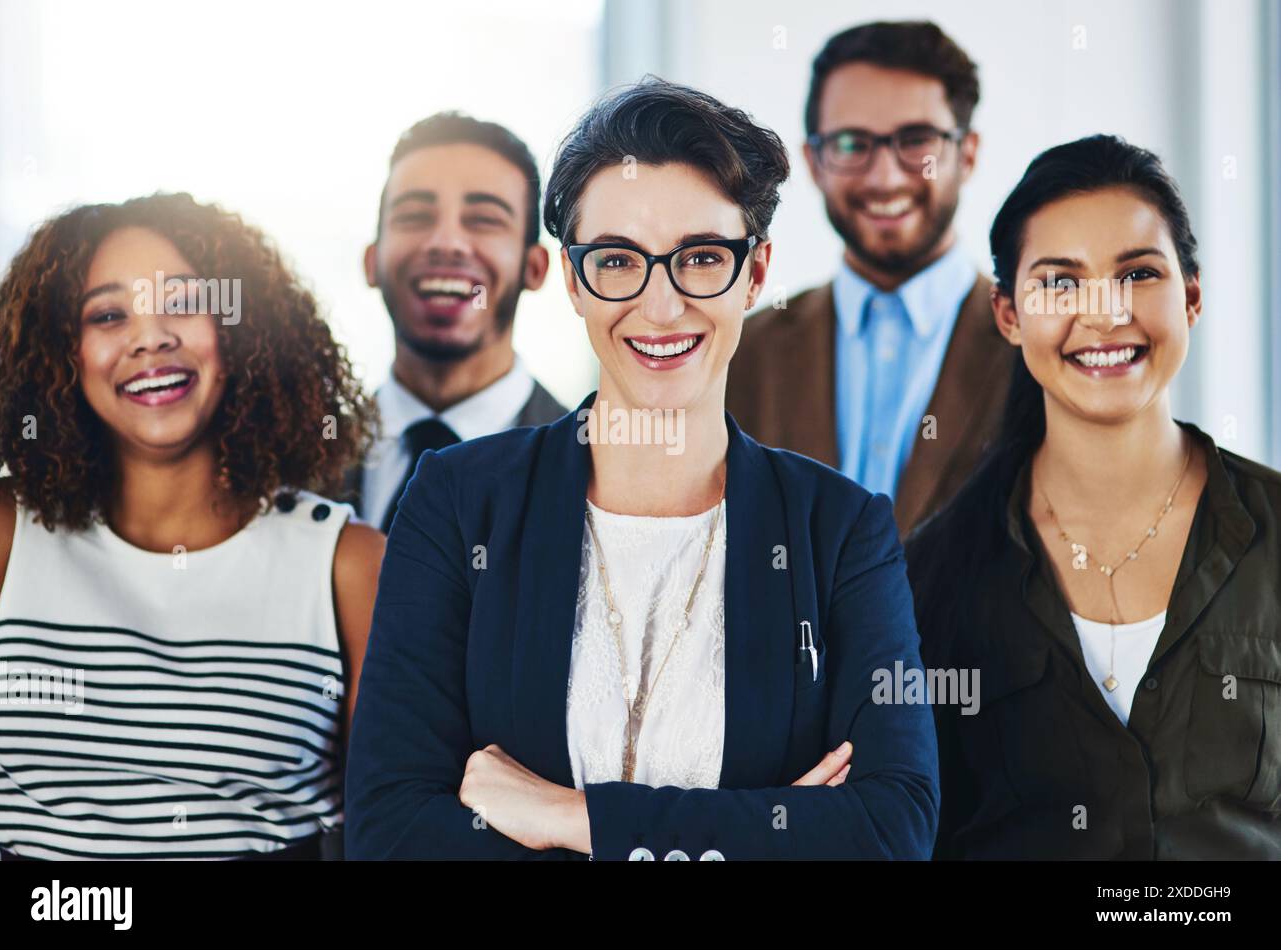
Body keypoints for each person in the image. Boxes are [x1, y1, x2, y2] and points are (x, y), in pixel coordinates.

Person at [346, 78, 939, 861]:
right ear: (572, 279)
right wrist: (763, 830)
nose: (661, 307)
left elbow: (890, 832)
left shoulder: (840, 529)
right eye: (619, 261)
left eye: (700, 258)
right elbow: (391, 831)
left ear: (756, 274)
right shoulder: (459, 500)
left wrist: (568, 818)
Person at [906, 135, 1281, 859]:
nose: (1105, 315)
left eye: (1137, 273)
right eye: (1060, 282)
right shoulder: (930, 576)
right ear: (1009, 315)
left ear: (1192, 297)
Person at [0, 194, 384, 859]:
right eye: (109, 315)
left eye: (183, 304)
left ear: (242, 331)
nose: (150, 337)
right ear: (63, 353)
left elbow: (395, 824)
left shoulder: (347, 565)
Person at [727, 20, 1016, 537]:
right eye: (851, 143)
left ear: (966, 154)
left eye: (916, 140)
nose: (884, 177)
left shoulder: (1035, 350)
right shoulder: (741, 351)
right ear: (814, 161)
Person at [340, 113, 568, 532]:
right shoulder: (297, 463)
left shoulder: (589, 469)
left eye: (484, 220)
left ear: (535, 268)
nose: (445, 242)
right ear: (372, 262)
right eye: (414, 217)